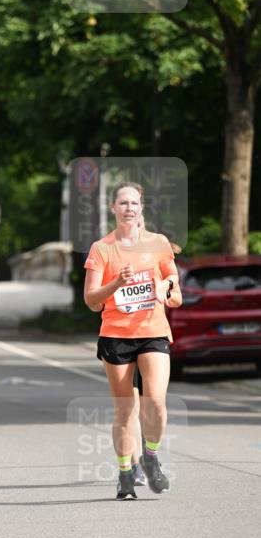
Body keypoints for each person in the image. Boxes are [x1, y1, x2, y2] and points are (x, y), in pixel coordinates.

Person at [84, 182, 182, 500]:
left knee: (156, 402)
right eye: (123, 202)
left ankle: (150, 456)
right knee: (126, 410)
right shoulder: (102, 248)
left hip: (153, 331)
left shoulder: (158, 243)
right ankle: (126, 473)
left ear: (142, 207)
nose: (129, 207)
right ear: (113, 208)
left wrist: (165, 287)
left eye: (134, 203)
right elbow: (91, 300)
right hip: (116, 336)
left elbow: (174, 286)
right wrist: (116, 282)